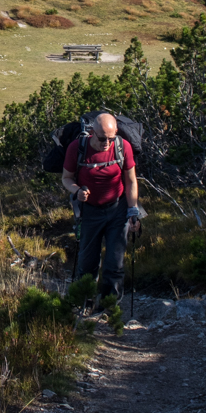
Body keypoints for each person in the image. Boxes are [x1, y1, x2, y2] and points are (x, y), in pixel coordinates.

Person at [61, 113, 140, 302]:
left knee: (115, 262)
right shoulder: (77, 148)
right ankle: (85, 302)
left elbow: (130, 181)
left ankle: (109, 306)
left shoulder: (123, 147)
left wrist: (133, 210)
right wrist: (77, 191)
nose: (107, 143)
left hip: (118, 210)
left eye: (111, 139)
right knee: (87, 262)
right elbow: (66, 178)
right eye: (102, 138)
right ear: (91, 133)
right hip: (90, 212)